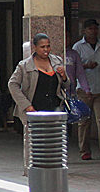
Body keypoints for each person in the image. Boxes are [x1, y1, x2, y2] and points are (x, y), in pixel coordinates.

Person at [7, 33, 68, 175]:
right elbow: (12, 84)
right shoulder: (24, 65)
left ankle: (54, 170)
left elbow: (66, 85)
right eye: (42, 47)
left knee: (55, 141)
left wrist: (64, 76)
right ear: (35, 47)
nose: (46, 50)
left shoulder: (57, 61)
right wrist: (26, 105)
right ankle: (31, 171)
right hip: (34, 109)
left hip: (54, 108)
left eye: (48, 46)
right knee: (33, 141)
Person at [73, 18, 100, 161]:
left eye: (95, 28)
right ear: (84, 31)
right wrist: (86, 66)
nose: (93, 31)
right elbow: (74, 67)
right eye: (90, 29)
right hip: (84, 89)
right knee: (84, 121)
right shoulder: (78, 47)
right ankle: (84, 150)